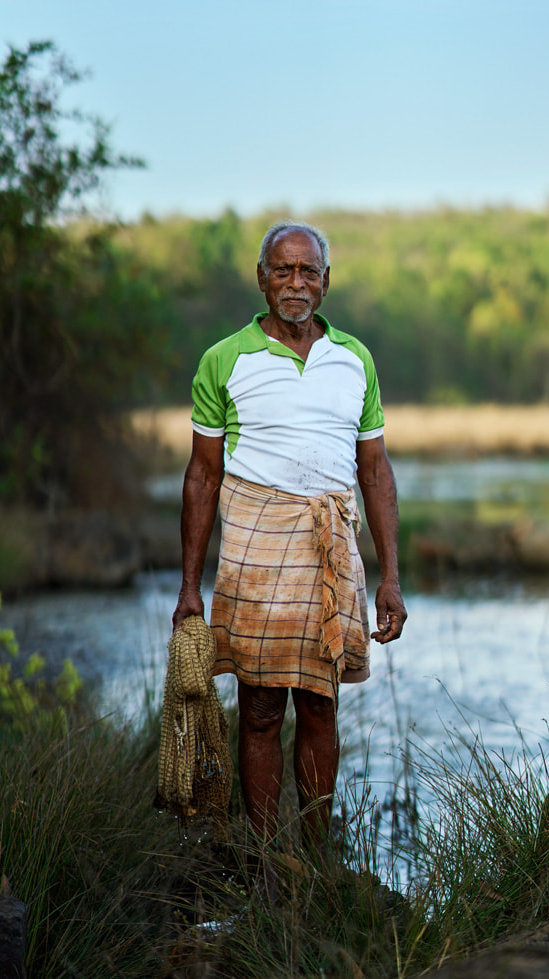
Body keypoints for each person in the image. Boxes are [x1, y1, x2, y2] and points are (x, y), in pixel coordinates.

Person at [172, 220, 406, 854]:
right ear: (262, 279)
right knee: (260, 710)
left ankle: (316, 860)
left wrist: (389, 576)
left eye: (308, 272)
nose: (296, 283)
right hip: (254, 548)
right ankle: (265, 861)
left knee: (322, 706)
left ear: (326, 283)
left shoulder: (355, 360)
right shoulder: (225, 360)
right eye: (283, 270)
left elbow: (375, 470)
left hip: (331, 549)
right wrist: (189, 587)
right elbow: (202, 474)